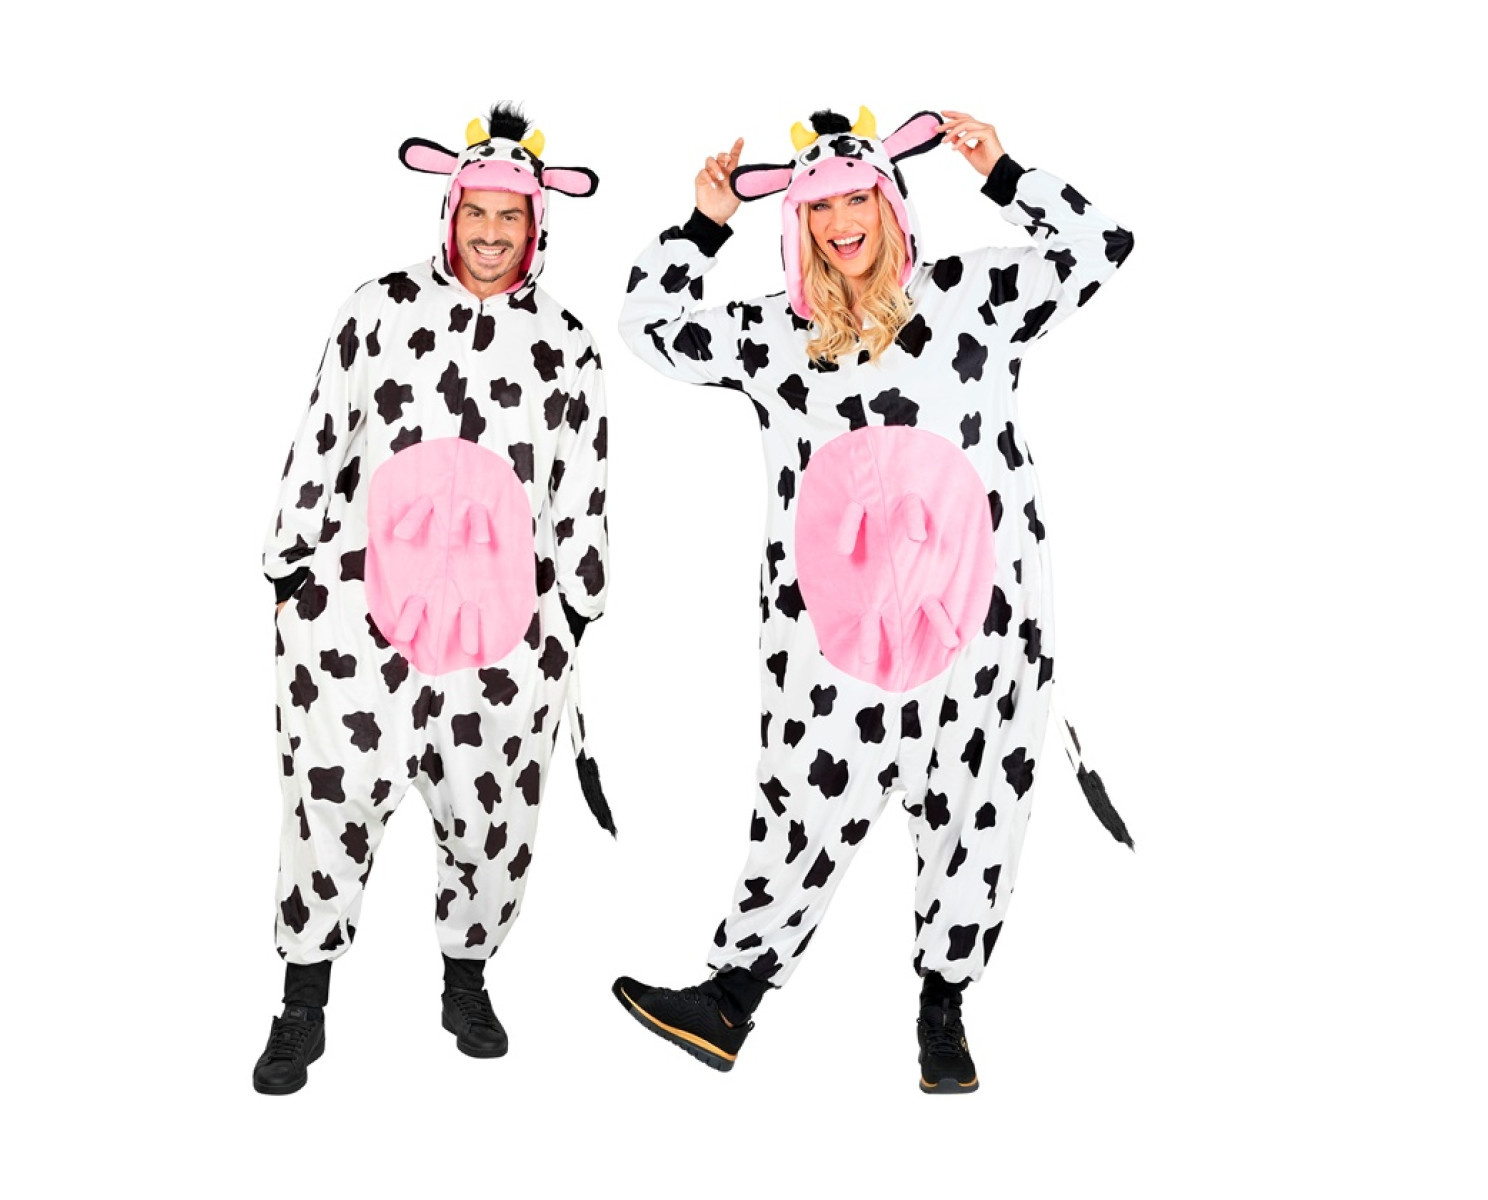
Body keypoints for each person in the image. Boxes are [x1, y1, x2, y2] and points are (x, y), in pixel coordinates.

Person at [611, 107, 1134, 1093]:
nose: (840, 221)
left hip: (979, 627)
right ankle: (730, 999)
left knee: (978, 805)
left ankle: (944, 1010)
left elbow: (1100, 246)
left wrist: (1003, 172)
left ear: (890, 201)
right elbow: (650, 327)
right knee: (801, 802)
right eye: (819, 207)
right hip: (832, 643)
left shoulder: (972, 298)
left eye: (857, 197)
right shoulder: (779, 335)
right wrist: (704, 226)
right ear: (796, 222)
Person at [253, 103, 612, 1095]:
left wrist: (575, 610)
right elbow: (324, 436)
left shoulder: (566, 342)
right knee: (329, 802)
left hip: (502, 631)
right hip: (362, 617)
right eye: (476, 213)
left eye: (510, 217)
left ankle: (467, 980)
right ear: (450, 212)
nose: (491, 234)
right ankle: (302, 1002)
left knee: (493, 815)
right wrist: (289, 569)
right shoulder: (378, 310)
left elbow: (582, 484)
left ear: (536, 224)